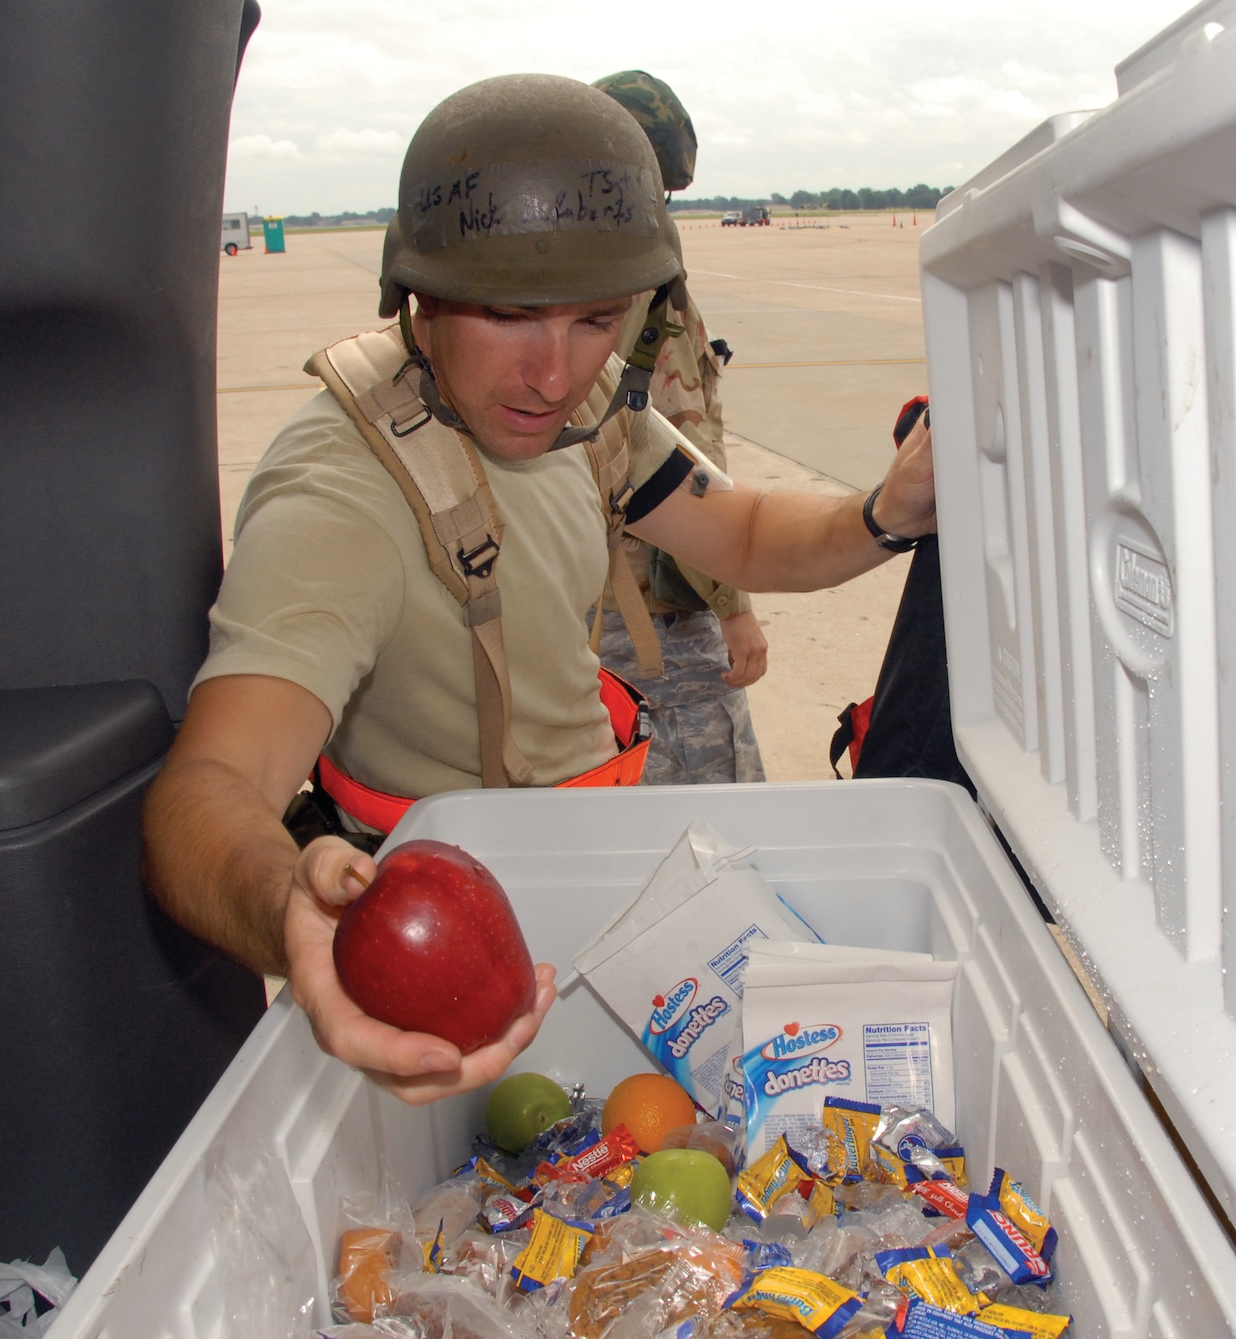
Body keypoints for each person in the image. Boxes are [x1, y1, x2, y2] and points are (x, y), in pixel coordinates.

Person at [142, 74, 935, 1105]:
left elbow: (735, 530)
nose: (553, 374)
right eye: (512, 316)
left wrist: (884, 512)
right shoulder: (340, 497)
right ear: (416, 295)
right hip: (468, 938)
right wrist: (292, 916)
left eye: (594, 320)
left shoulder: (582, 407)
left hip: (597, 860)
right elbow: (204, 793)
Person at [590, 70, 767, 785]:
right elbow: (687, 459)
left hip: (578, 607)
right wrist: (734, 605)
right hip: (652, 614)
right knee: (718, 825)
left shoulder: (547, 287)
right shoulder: (646, 290)